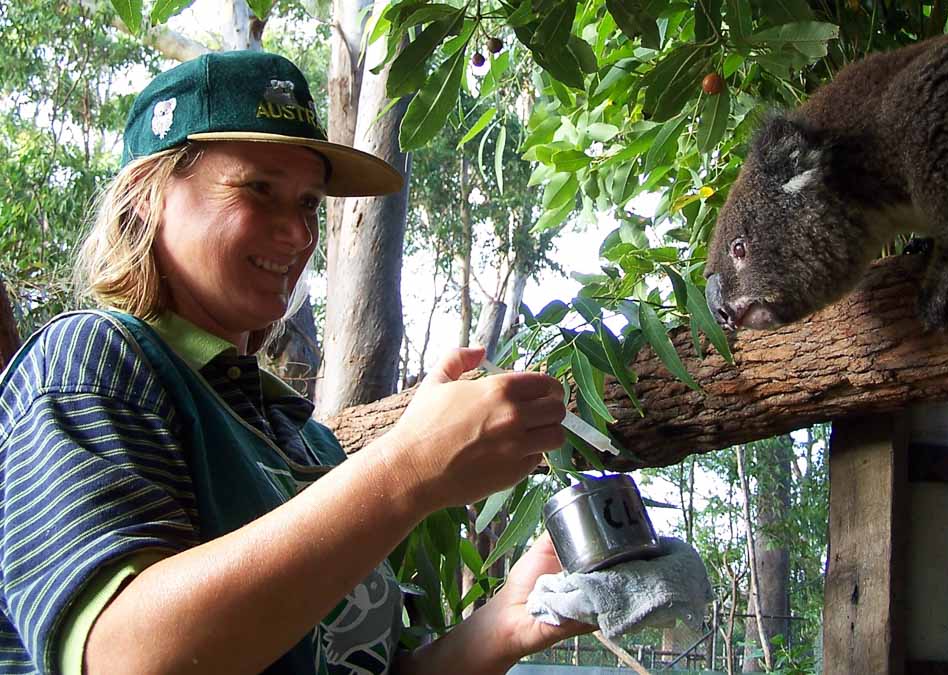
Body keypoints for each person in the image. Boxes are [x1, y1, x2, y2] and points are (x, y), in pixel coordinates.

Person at [0, 50, 591, 674]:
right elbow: (124, 659)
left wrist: (513, 617)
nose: (297, 233)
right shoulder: (93, 359)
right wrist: (409, 467)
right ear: (148, 196)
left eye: (309, 203)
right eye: (259, 189)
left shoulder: (302, 440)